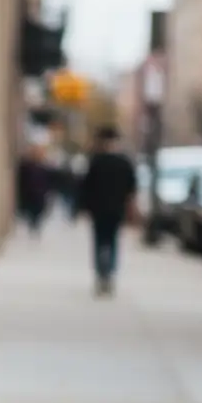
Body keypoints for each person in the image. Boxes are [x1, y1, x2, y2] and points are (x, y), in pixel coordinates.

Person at [77, 126, 137, 296]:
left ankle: (101, 273)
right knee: (112, 241)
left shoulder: (96, 161)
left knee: (99, 241)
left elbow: (85, 187)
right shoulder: (124, 162)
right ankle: (108, 273)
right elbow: (131, 189)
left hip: (98, 210)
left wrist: (83, 207)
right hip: (116, 210)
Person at [16, 144, 51, 235]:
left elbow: (47, 181)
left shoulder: (43, 167)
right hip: (30, 194)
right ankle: (33, 227)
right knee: (32, 213)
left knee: (38, 213)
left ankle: (35, 227)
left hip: (39, 194)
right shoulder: (26, 166)